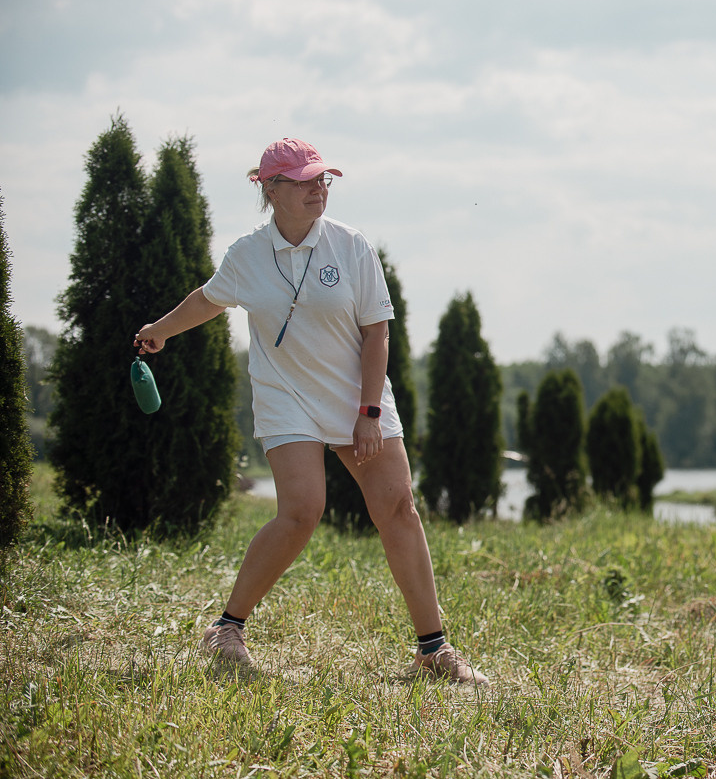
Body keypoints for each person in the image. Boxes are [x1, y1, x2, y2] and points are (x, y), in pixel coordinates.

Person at [134, 138, 487, 685]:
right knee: (302, 511)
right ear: (269, 189)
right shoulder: (247, 254)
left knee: (398, 509)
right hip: (286, 398)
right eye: (302, 181)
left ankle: (433, 650)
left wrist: (368, 410)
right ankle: (226, 629)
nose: (317, 189)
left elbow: (377, 332)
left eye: (322, 179)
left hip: (356, 397)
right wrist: (159, 331)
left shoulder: (350, 246)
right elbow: (209, 298)